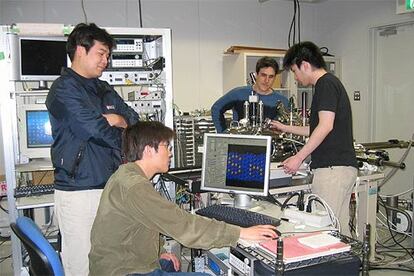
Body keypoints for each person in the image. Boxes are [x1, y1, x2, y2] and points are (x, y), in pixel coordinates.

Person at [89, 121, 277, 275]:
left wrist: (160, 252)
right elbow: (184, 225)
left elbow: (142, 225)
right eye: (166, 146)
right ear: (148, 150)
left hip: (122, 264)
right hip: (125, 272)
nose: (170, 152)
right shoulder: (135, 187)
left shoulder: (125, 175)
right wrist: (239, 233)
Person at [46, 23, 139, 276]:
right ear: (80, 50)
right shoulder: (63, 90)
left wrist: (119, 120)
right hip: (79, 191)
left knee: (111, 261)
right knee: (81, 265)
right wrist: (118, 127)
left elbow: (134, 119)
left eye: (108, 55)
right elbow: (97, 131)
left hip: (111, 187)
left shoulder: (103, 88)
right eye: (101, 53)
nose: (105, 61)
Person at [269, 41, 358, 236]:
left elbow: (325, 126)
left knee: (325, 231)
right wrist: (285, 127)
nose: (295, 76)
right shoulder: (330, 83)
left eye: (294, 70)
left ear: (305, 65)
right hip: (340, 169)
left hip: (332, 171)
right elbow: (316, 128)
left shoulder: (325, 84)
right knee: (339, 230)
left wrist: (298, 157)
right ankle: (348, 266)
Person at [211, 56, 289, 133]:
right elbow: (216, 108)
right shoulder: (239, 94)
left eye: (271, 77)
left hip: (269, 144)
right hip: (240, 143)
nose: (266, 80)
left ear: (275, 77)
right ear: (256, 74)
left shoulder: (282, 101)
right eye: (263, 75)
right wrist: (223, 134)